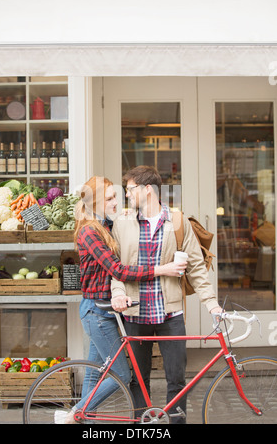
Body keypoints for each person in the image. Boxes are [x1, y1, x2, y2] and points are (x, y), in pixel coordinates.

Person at [56, 175, 186, 424]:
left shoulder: (104, 225)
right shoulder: (89, 232)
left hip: (105, 311)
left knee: (95, 376)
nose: (116, 201)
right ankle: (75, 415)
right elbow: (119, 271)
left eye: (116, 195)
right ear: (94, 204)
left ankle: (84, 421)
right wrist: (162, 270)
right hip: (96, 312)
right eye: (109, 198)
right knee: (121, 375)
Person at [111, 166, 222, 424]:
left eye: (130, 190)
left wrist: (212, 304)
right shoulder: (122, 223)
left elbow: (195, 267)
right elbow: (115, 268)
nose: (126, 195)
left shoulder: (178, 220)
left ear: (147, 189)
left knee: (177, 379)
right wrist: (118, 294)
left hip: (170, 314)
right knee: (139, 379)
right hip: (136, 312)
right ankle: (144, 425)